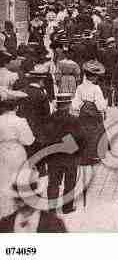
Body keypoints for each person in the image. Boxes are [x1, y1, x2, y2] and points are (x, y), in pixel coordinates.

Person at [0, 89, 34, 218]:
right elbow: (29, 141)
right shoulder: (20, 121)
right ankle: (15, 212)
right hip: (16, 152)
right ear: (17, 107)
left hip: (1, 151)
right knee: (18, 182)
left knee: (2, 181)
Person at [45, 93, 82, 214]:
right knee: (70, 182)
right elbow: (80, 138)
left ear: (58, 105)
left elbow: (45, 137)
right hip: (69, 155)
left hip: (54, 156)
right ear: (68, 105)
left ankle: (51, 209)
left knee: (53, 183)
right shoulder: (74, 120)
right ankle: (67, 207)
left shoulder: (49, 118)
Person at [0, 168, 67, 232]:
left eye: (28, 199)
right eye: (18, 199)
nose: (22, 204)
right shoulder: (4, 225)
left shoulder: (55, 225)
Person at [72, 60, 107, 166]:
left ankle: (83, 156)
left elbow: (75, 103)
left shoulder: (80, 87)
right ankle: (94, 156)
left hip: (83, 114)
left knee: (83, 133)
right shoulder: (96, 88)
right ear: (93, 77)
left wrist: (77, 111)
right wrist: (103, 110)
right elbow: (100, 105)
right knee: (95, 134)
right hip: (93, 114)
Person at [98, 37, 118, 107]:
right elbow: (117, 62)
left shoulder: (104, 52)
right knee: (115, 86)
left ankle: (109, 102)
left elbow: (101, 62)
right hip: (114, 71)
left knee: (107, 86)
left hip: (106, 71)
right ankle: (115, 102)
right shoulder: (116, 52)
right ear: (112, 43)